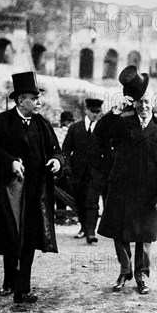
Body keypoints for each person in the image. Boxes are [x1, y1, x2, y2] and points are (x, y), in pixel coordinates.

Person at [0, 72, 64, 304]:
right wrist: (10, 162)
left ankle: (22, 288)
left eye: (38, 98)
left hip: (35, 194)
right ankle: (9, 279)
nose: (39, 102)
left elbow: (57, 150)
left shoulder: (43, 125)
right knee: (10, 236)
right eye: (34, 98)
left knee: (29, 237)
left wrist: (57, 161)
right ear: (20, 100)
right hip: (7, 192)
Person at [94, 66, 157, 295]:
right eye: (139, 102)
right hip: (122, 186)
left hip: (149, 190)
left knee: (144, 236)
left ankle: (141, 276)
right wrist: (114, 112)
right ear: (134, 103)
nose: (144, 106)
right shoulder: (122, 122)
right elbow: (100, 133)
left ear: (153, 103)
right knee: (119, 232)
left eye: (147, 102)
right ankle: (124, 270)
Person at [62, 98, 106, 244]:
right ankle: (84, 227)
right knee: (80, 201)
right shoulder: (75, 128)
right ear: (86, 110)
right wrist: (67, 165)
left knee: (92, 201)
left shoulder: (102, 130)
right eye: (93, 112)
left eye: (98, 112)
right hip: (77, 172)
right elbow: (66, 148)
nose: (95, 115)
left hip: (96, 172)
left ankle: (91, 232)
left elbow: (108, 152)